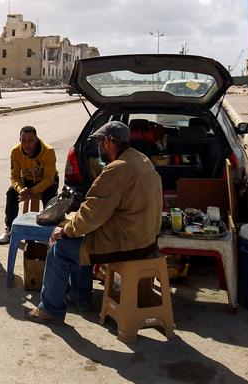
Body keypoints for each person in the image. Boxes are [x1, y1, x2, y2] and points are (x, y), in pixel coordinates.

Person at [26, 121, 163, 323]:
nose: (99, 147)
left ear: (109, 142)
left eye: (100, 142)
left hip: (129, 244)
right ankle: (80, 299)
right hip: (146, 239)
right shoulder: (141, 159)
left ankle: (50, 309)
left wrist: (65, 231)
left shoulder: (117, 169)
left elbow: (92, 213)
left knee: (60, 247)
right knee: (83, 239)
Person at [0, 126, 59, 245]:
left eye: (30, 141)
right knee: (11, 193)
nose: (27, 145)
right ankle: (9, 229)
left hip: (46, 181)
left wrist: (32, 191)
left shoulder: (48, 151)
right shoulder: (15, 151)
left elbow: (48, 179)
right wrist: (21, 190)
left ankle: (48, 233)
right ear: (20, 140)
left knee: (50, 198)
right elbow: (15, 176)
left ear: (36, 140)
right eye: (23, 141)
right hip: (27, 180)